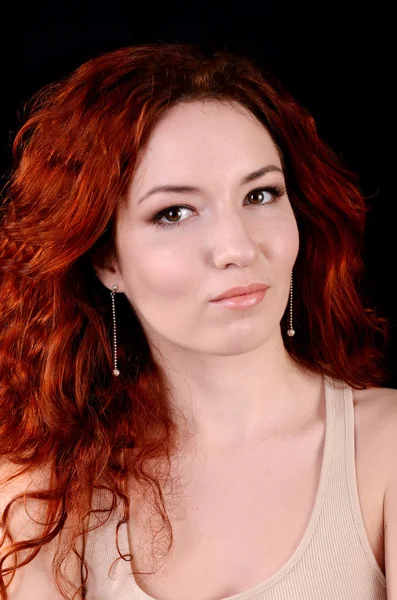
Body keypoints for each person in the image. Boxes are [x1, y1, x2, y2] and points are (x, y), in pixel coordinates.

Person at [0, 41, 396, 600]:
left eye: (260, 194)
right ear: (106, 259)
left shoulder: (387, 448)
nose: (236, 246)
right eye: (174, 212)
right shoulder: (39, 495)